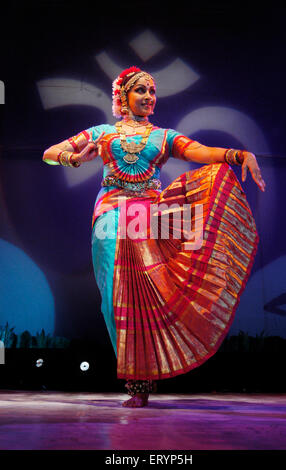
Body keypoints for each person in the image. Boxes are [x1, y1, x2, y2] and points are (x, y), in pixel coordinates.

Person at [43, 66, 266, 408]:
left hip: (150, 215)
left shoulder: (163, 136)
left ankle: (151, 367)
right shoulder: (102, 133)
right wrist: (75, 158)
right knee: (113, 295)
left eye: (152, 91)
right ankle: (136, 376)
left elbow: (199, 152)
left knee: (157, 288)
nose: (148, 97)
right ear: (123, 97)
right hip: (111, 213)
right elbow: (49, 153)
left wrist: (237, 155)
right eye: (140, 91)